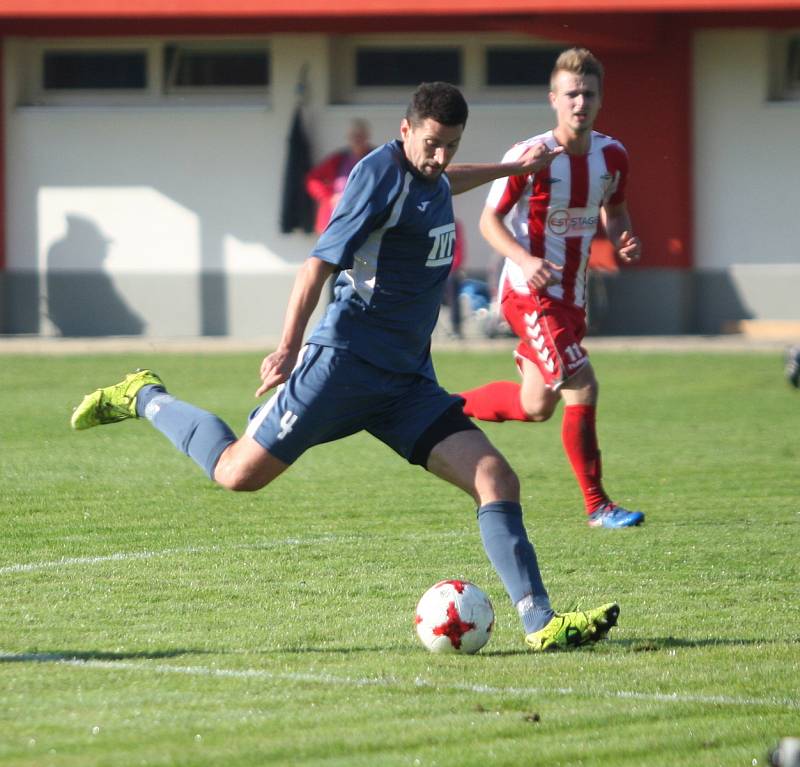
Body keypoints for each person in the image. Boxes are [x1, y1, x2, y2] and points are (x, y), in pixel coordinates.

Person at [70, 82, 619, 651]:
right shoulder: (376, 175)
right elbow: (316, 267)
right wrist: (287, 348)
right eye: (431, 144)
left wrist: (510, 169)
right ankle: (144, 394)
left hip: (405, 382)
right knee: (236, 473)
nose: (440, 157)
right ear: (405, 130)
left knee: (495, 478)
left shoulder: (430, 176)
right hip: (342, 367)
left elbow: (442, 183)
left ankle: (540, 623)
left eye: (451, 145)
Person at [459, 48, 645, 529]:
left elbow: (616, 210)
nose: (579, 103)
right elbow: (488, 220)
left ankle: (449, 406)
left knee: (535, 404)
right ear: (553, 100)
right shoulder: (531, 157)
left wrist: (623, 235)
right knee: (582, 384)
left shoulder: (613, 156)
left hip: (572, 299)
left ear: (600, 100)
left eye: (588, 94)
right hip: (528, 294)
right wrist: (523, 258)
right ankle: (597, 506)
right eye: (571, 95)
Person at [305, 118, 374, 236]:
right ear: (348, 138)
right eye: (353, 135)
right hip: (336, 221)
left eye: (360, 135)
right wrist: (329, 197)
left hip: (366, 220)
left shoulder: (376, 158)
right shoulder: (337, 160)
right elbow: (312, 180)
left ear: (367, 137)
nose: (357, 139)